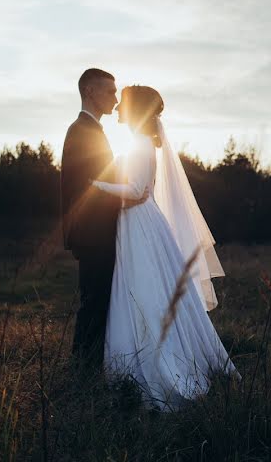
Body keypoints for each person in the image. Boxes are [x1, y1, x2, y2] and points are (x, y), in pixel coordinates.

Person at [90, 85, 238, 408]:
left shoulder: (141, 145)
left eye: (122, 104)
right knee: (141, 291)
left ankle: (156, 368)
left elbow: (137, 189)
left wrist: (96, 186)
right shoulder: (140, 144)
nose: (117, 109)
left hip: (140, 226)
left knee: (146, 291)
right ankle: (129, 364)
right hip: (136, 224)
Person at [61, 68, 147, 373]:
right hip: (93, 233)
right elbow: (82, 187)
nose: (115, 97)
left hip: (97, 232)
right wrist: (130, 195)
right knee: (94, 303)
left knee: (99, 302)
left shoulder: (93, 130)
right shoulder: (82, 131)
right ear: (89, 91)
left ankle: (88, 367)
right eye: (110, 91)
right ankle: (83, 370)